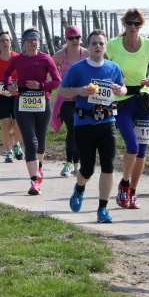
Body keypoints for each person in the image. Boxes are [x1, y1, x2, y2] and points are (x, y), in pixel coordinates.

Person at [60, 29, 126, 222]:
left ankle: (102, 209)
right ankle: (79, 188)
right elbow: (62, 90)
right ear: (88, 47)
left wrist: (120, 90)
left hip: (107, 122)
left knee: (108, 166)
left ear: (105, 47)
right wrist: (79, 91)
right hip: (84, 123)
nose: (98, 46)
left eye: (101, 43)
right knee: (87, 169)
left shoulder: (113, 68)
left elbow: (123, 88)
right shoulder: (78, 68)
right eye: (94, 43)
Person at [106, 8, 149, 209]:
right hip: (121, 101)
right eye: (129, 23)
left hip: (142, 101)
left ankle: (132, 192)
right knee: (132, 147)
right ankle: (124, 184)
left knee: (142, 151)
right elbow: (100, 66)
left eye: (137, 23)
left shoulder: (148, 45)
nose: (133, 27)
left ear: (141, 26)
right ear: (124, 24)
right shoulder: (113, 45)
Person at [3, 27, 61, 195]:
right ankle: (34, 181)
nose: (33, 42)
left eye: (35, 39)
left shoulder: (46, 59)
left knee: (41, 142)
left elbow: (57, 81)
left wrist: (41, 86)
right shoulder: (18, 59)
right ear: (24, 43)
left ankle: (39, 166)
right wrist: (8, 85)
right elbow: (6, 74)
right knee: (30, 141)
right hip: (22, 103)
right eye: (30, 40)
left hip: (42, 103)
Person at [51, 26, 88, 176]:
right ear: (66, 39)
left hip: (83, 98)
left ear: (81, 38)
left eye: (77, 37)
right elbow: (48, 71)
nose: (74, 40)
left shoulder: (87, 54)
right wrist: (51, 84)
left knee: (80, 129)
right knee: (73, 127)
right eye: (71, 38)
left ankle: (77, 163)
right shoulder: (60, 55)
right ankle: (68, 163)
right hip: (66, 98)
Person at [0, 31, 22, 163]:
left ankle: (16, 143)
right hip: (1, 96)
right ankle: (9, 153)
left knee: (18, 125)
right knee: (6, 125)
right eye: (2, 41)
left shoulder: (18, 58)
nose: (5, 43)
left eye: (7, 40)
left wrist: (16, 84)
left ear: (11, 43)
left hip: (16, 96)